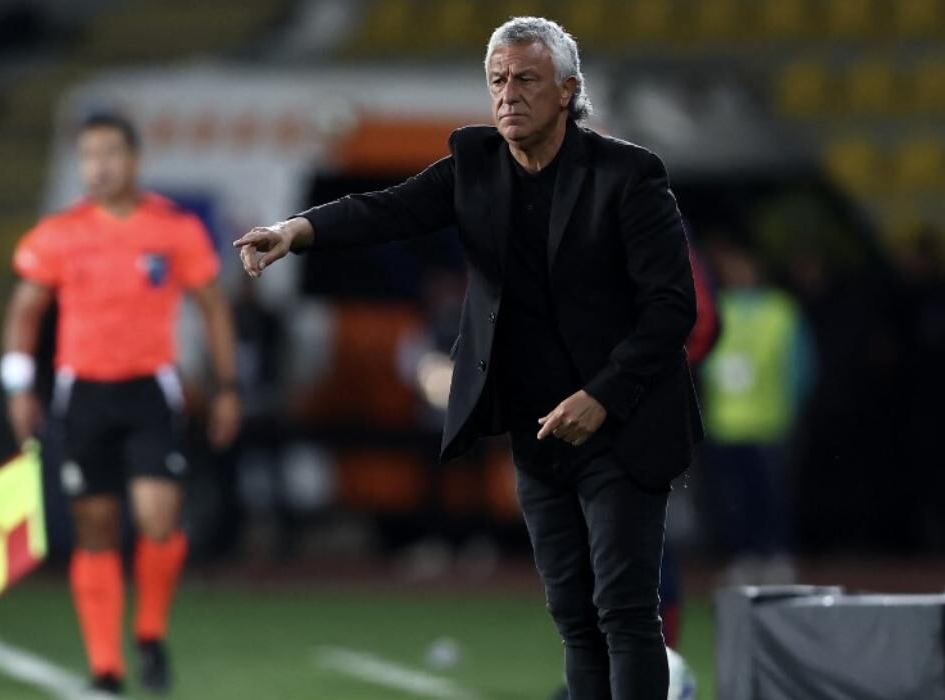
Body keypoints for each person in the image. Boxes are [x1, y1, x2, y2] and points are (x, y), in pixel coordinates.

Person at [235, 16, 700, 700]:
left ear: (568, 90)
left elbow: (672, 309)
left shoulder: (628, 176)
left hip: (622, 425)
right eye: (498, 81)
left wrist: (601, 393)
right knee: (574, 619)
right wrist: (295, 231)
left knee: (625, 613)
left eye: (527, 80)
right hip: (538, 430)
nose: (508, 94)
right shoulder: (476, 166)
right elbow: (388, 210)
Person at [1, 113, 240, 694]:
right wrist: (17, 385)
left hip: (149, 392)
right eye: (87, 156)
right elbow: (23, 311)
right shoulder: (60, 232)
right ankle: (105, 667)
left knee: (158, 522)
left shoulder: (172, 229)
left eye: (108, 154)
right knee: (96, 529)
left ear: (133, 160)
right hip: (82, 393)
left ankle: (150, 633)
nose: (98, 167)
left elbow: (212, 307)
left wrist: (227, 388)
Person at [701, 238, 814, 584]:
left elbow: (802, 364)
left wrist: (792, 405)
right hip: (726, 422)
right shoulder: (716, 306)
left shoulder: (780, 310)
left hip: (769, 421)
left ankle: (777, 555)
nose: (738, 274)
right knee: (734, 498)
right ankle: (745, 557)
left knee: (773, 496)